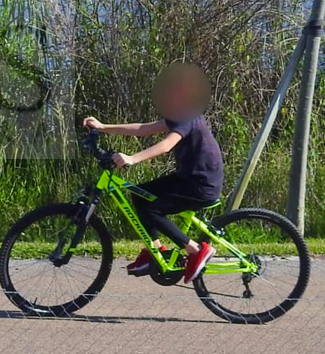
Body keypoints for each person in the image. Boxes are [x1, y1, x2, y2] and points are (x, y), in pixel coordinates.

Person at [82, 62, 223, 284]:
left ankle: (196, 250)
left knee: (151, 211)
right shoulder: (179, 115)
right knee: (140, 194)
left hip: (200, 185)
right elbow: (143, 128)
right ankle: (155, 251)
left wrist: (132, 158)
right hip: (189, 178)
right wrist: (102, 127)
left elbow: (166, 145)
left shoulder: (188, 116)